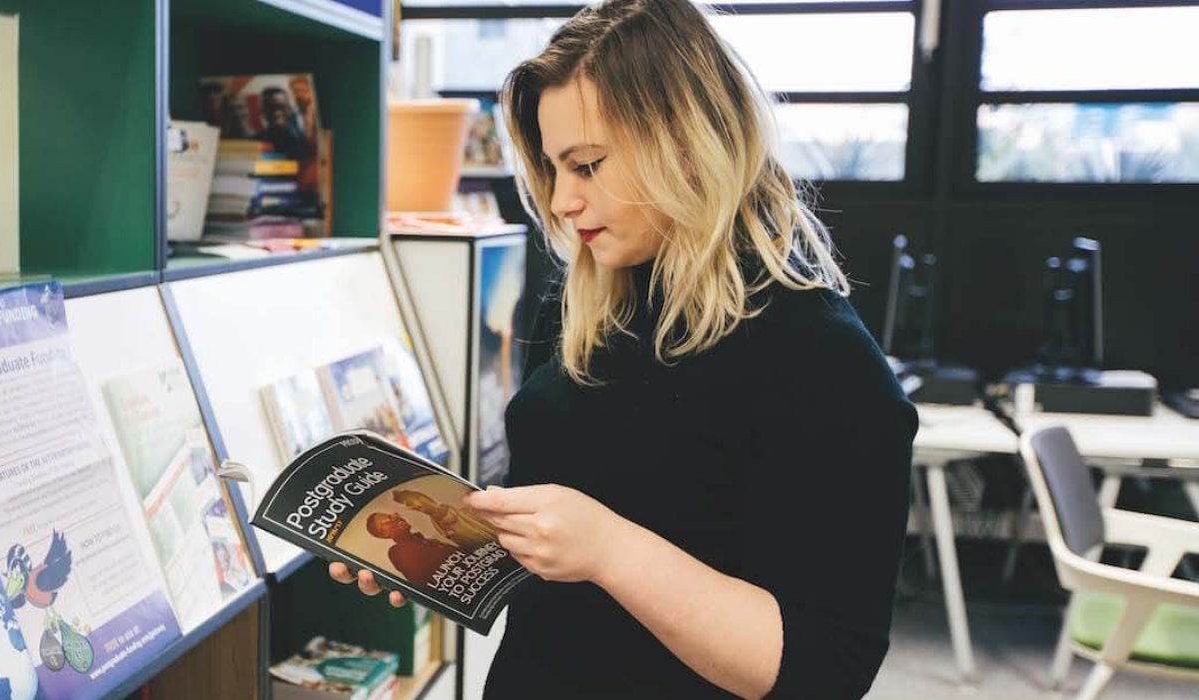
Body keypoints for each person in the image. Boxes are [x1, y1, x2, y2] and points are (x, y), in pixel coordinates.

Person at [329, 1, 916, 698]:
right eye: (553, 170)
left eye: (587, 165)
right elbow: (560, 535)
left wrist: (609, 549)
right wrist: (433, 545)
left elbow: (824, 668)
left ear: (689, 143)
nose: (561, 202)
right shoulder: (584, 308)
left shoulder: (820, 357)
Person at [363, 512, 460, 587]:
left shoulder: (426, 541)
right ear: (384, 533)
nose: (396, 516)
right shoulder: (397, 552)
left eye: (392, 515)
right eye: (389, 519)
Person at [392, 489, 497, 551]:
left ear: (423, 498)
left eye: (410, 504)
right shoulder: (437, 525)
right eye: (410, 508)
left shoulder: (463, 509)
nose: (413, 508)